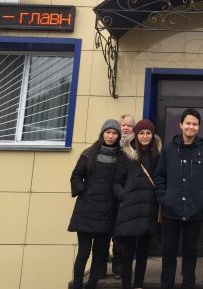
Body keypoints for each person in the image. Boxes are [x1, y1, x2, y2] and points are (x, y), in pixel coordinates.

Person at [154, 108, 203, 289]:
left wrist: (201, 201)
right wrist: (165, 199)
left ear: (199, 127)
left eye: (195, 124)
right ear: (180, 125)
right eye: (188, 123)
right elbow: (159, 177)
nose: (191, 127)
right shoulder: (169, 149)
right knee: (169, 252)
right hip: (170, 212)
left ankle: (188, 285)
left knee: (190, 252)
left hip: (194, 212)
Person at [68, 119, 122, 289]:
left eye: (114, 133)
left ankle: (92, 285)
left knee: (100, 254)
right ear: (102, 134)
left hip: (107, 211)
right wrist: (84, 193)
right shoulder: (88, 153)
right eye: (108, 132)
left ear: (118, 136)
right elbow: (76, 176)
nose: (111, 136)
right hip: (87, 210)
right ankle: (77, 285)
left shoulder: (121, 157)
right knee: (83, 252)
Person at [113, 119, 162, 289]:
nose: (145, 136)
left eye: (148, 133)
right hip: (130, 210)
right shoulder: (127, 155)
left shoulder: (158, 156)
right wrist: (123, 196)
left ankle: (138, 285)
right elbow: (116, 182)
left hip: (149, 209)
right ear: (136, 135)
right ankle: (126, 285)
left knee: (143, 252)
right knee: (128, 252)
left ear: (152, 135)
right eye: (141, 133)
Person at [110, 113, 137, 278]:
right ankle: (103, 267)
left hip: (125, 195)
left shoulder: (136, 146)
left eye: (129, 125)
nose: (126, 128)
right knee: (108, 232)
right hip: (108, 194)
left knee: (122, 234)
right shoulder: (111, 142)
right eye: (123, 125)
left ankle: (119, 267)